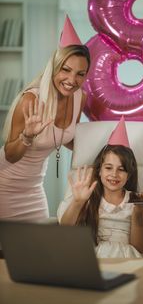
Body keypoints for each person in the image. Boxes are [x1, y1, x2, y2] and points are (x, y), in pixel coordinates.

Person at [0, 15, 90, 221]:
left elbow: (67, 139)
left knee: (38, 246)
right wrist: (27, 136)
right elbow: (10, 155)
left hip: (33, 187)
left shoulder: (79, 97)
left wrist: (103, 151)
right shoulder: (30, 99)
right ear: (54, 68)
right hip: (5, 184)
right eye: (66, 70)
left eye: (80, 74)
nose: (71, 80)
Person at [57, 117, 143, 258]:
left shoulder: (136, 201)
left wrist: (137, 213)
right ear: (99, 170)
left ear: (129, 174)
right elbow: (65, 228)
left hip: (127, 258)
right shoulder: (87, 195)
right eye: (108, 168)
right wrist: (78, 202)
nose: (114, 174)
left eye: (121, 169)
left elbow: (138, 248)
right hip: (93, 256)